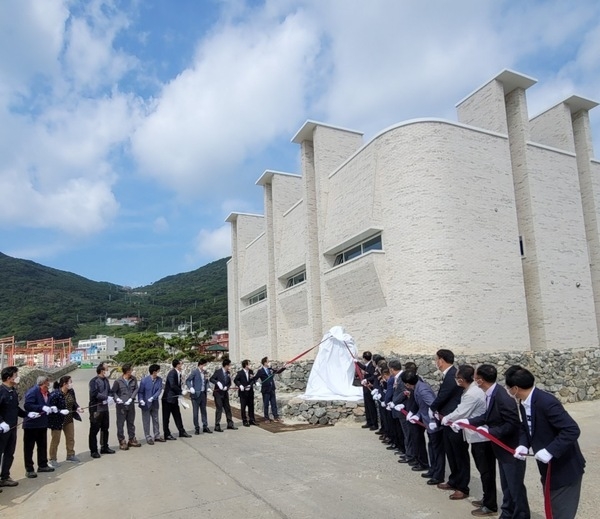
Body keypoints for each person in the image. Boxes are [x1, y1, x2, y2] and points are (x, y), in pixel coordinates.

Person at [508, 366, 585, 519]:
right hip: (548, 469)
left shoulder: (546, 402)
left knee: (561, 513)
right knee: (552, 508)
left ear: (516, 388)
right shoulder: (524, 402)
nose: (508, 391)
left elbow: (571, 430)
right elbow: (526, 426)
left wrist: (550, 450)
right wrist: (523, 444)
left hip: (564, 468)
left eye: (508, 387)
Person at [455, 364, 530, 519]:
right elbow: (487, 417)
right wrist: (467, 421)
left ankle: (521, 516)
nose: (474, 380)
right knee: (506, 486)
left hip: (511, 449)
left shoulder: (502, 397)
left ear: (480, 380)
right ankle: (507, 514)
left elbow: (513, 424)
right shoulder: (491, 393)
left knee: (515, 488)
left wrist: (491, 431)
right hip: (501, 449)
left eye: (475, 377)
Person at [441, 365, 495, 516]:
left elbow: (461, 411)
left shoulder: (472, 393)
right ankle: (487, 499)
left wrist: (447, 418)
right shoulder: (471, 390)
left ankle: (490, 504)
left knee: (486, 472)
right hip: (475, 436)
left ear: (462, 379)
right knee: (483, 470)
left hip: (481, 438)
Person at [429, 349, 467, 500]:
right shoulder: (449, 375)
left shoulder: (452, 375)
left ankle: (462, 486)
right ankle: (454, 480)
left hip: (454, 419)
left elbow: (444, 395)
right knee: (450, 453)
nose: (436, 362)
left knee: (459, 455)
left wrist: (432, 407)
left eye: (437, 359)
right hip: (446, 419)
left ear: (441, 360)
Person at [401, 370, 434, 474]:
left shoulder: (422, 389)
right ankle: (431, 468)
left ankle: (434, 470)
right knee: (430, 446)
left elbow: (433, 405)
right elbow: (421, 406)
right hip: (423, 418)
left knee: (434, 448)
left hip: (431, 421)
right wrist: (416, 415)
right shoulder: (417, 387)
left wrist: (434, 419)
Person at [23, 375, 56, 478]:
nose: (49, 385)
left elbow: (47, 405)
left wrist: (51, 408)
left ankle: (42, 465)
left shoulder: (47, 393)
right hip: (31, 424)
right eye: (47, 383)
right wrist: (41, 407)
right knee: (29, 447)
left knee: (42, 446)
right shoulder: (33, 392)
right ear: (42, 384)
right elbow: (27, 405)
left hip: (42, 423)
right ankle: (29, 469)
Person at [48, 375, 84, 467]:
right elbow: (51, 408)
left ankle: (70, 454)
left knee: (70, 438)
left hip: (69, 419)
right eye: (70, 382)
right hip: (57, 421)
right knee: (56, 440)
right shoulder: (55, 394)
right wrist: (60, 411)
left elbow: (74, 402)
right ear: (64, 384)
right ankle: (52, 459)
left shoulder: (71, 391)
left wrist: (77, 408)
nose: (72, 384)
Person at [0, 367, 27, 489]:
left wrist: (27, 414)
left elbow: (15, 409)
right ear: (8, 377)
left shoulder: (13, 391)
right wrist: (1, 422)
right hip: (2, 429)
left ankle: (5, 477)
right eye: (15, 375)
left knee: (9, 453)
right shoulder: (1, 391)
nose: (17, 377)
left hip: (13, 427)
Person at [88, 364, 116, 458]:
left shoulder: (106, 380)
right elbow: (94, 393)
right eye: (107, 369)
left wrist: (111, 397)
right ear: (101, 370)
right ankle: (94, 450)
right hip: (96, 409)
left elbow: (110, 391)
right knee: (94, 430)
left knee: (105, 428)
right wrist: (105, 397)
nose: (108, 371)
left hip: (105, 408)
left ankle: (104, 447)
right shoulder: (94, 381)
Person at [112, 364, 141, 450]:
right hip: (121, 406)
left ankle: (132, 439)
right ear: (127, 371)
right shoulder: (118, 381)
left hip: (130, 405)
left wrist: (132, 398)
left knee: (131, 423)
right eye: (130, 370)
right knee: (120, 424)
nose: (132, 371)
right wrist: (117, 399)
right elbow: (113, 392)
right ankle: (122, 440)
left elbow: (136, 389)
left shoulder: (133, 379)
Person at [162, 359, 191, 439]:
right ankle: (167, 434)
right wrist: (181, 391)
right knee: (166, 417)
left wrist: (181, 394)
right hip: (168, 398)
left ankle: (182, 431)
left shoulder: (179, 374)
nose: (182, 365)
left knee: (177, 415)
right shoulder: (172, 373)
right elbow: (172, 385)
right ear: (177, 365)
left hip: (174, 398)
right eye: (181, 363)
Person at [138, 364, 165, 444]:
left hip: (155, 403)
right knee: (146, 421)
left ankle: (157, 435)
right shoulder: (144, 380)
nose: (159, 372)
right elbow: (140, 392)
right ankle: (148, 436)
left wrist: (153, 397)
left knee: (156, 420)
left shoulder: (159, 380)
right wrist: (141, 400)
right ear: (154, 372)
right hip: (145, 404)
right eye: (158, 371)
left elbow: (159, 390)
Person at [254, 356, 286, 423]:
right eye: (268, 361)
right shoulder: (260, 371)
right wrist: (256, 383)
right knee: (266, 404)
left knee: (274, 404)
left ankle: (276, 417)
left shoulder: (270, 369)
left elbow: (278, 371)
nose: (269, 363)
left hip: (272, 389)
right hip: (265, 390)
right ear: (265, 363)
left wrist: (283, 367)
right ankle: (266, 418)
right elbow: (255, 378)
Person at [210, 359, 237, 432]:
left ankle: (230, 423)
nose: (230, 367)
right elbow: (211, 379)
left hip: (225, 393)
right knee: (219, 409)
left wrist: (227, 387)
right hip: (218, 394)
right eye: (229, 365)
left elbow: (229, 383)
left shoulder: (228, 373)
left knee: (227, 408)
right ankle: (217, 425)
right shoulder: (218, 372)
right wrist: (217, 382)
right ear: (226, 365)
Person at [186, 359, 212, 434]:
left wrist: (208, 387)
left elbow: (206, 382)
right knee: (195, 412)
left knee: (204, 411)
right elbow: (188, 380)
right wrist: (191, 387)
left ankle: (205, 426)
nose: (205, 367)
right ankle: (197, 427)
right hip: (195, 395)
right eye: (204, 365)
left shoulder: (205, 373)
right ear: (200, 365)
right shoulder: (195, 372)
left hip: (203, 394)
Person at [356, 351, 378, 430]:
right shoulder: (368, 365)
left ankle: (374, 423)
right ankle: (369, 422)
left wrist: (366, 379)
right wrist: (357, 363)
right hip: (365, 388)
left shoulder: (371, 366)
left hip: (369, 387)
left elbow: (373, 376)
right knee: (367, 406)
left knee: (371, 406)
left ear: (364, 358)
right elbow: (365, 368)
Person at [233, 359, 257, 427]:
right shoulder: (240, 373)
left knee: (251, 406)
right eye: (249, 364)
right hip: (243, 393)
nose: (250, 365)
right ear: (246, 365)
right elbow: (236, 380)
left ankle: (252, 419)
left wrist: (251, 385)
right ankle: (244, 420)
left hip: (250, 392)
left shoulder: (251, 371)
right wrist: (240, 385)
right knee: (243, 407)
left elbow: (253, 379)